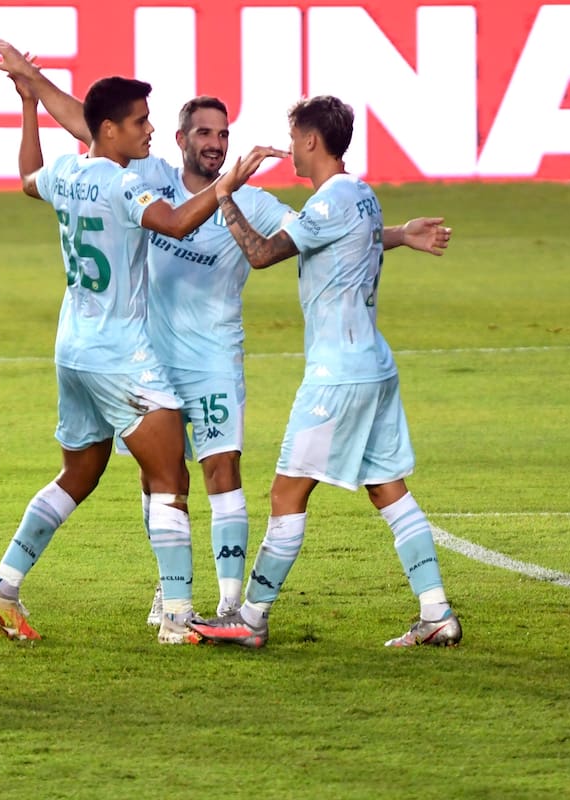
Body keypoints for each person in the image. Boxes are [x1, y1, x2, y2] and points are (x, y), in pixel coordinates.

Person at [0, 39, 452, 627]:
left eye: (223, 135)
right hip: (147, 353)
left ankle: (228, 602)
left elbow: (328, 233)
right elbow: (84, 120)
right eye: (204, 133)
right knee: (162, 480)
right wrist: (33, 82)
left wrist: (400, 233)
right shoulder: (146, 176)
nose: (215, 143)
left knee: (217, 473)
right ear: (180, 140)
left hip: (208, 357)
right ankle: (171, 598)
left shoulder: (252, 200)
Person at [0, 61, 273, 645]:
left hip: (72, 350)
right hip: (120, 356)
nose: (150, 131)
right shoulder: (123, 183)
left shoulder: (64, 171)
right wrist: (226, 184)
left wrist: (29, 105)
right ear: (107, 130)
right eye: (139, 123)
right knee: (169, 480)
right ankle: (179, 617)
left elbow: (27, 173)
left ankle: (3, 586)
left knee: (78, 474)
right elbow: (179, 222)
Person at [188, 95, 463, 648]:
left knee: (286, 495)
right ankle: (436, 612)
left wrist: (224, 196)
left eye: (294, 138)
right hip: (374, 367)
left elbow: (262, 254)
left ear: (311, 141)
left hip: (336, 377)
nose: (289, 147)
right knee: (389, 490)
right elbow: (344, 237)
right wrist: (403, 234)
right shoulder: (361, 195)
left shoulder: (328, 203)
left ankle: (251, 617)